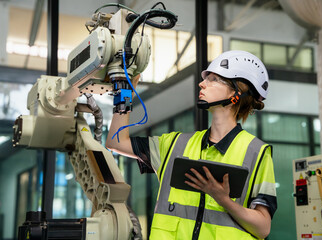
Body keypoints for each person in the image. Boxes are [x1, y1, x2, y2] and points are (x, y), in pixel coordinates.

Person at [106, 50, 277, 240]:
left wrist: (224, 200)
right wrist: (125, 92)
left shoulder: (257, 152)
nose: (202, 83)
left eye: (214, 79)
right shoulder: (174, 145)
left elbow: (263, 228)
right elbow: (115, 141)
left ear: (237, 92)